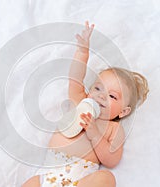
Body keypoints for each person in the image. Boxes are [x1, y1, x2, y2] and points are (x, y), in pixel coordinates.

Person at [22, 21, 149, 187]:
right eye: (98, 88)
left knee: (106, 178)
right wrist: (82, 52)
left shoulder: (113, 128)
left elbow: (112, 160)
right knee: (30, 183)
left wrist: (95, 134)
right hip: (48, 175)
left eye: (111, 95)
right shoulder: (81, 102)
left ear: (123, 112)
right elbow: (75, 79)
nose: (101, 96)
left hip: (80, 179)